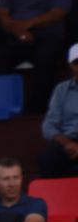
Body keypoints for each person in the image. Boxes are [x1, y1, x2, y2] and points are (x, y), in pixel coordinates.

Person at [38, 44, 78, 181]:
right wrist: (67, 143)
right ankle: (54, 201)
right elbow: (49, 125)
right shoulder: (61, 90)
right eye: (77, 63)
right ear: (70, 66)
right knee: (48, 159)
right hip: (68, 140)